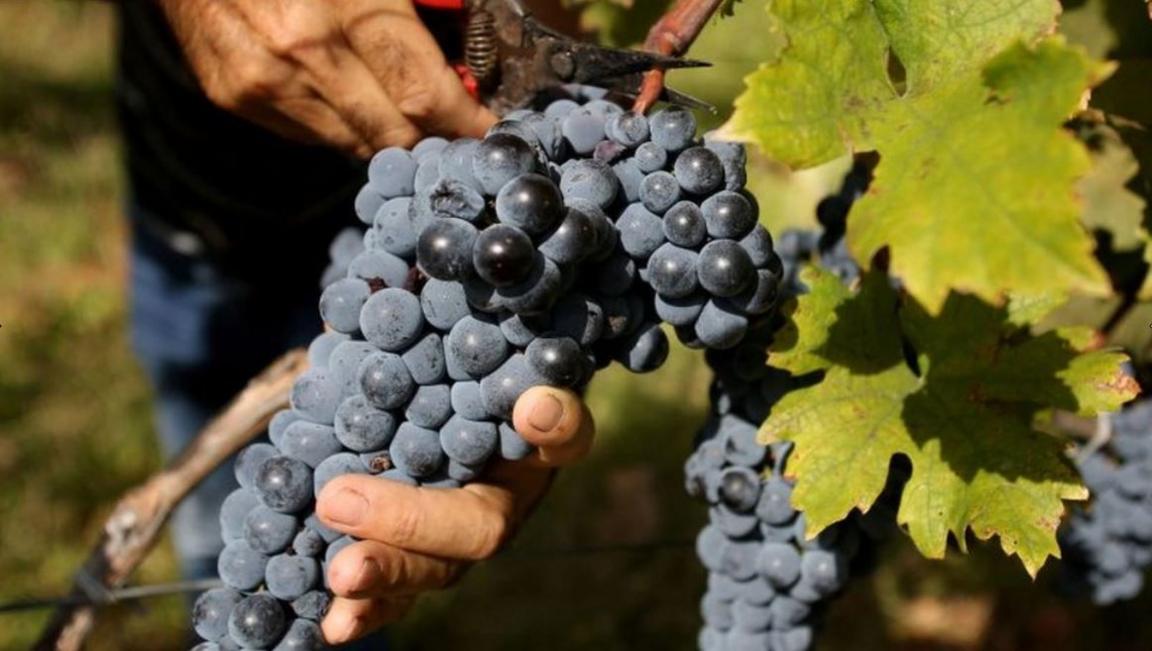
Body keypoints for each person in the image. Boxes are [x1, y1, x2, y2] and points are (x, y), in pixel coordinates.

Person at [114, 0, 592, 645]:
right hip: (194, 194)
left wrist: (548, 313)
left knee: (352, 559)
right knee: (228, 522)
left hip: (404, 231)